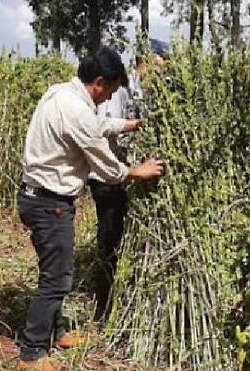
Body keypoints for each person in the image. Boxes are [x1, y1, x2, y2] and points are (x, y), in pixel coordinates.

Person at [17, 46, 165, 371]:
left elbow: (96, 125)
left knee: (53, 269)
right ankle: (31, 350)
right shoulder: (77, 111)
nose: (107, 97)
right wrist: (135, 171)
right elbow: (103, 159)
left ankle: (59, 333)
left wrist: (127, 125)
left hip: (36, 196)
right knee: (57, 278)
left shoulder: (61, 94)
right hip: (49, 202)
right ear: (99, 82)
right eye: (110, 91)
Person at [90, 39, 169, 325]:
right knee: (109, 241)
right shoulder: (119, 90)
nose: (161, 74)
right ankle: (104, 308)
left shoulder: (143, 92)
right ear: (144, 62)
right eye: (159, 68)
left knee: (121, 239)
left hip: (124, 174)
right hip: (107, 176)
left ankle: (118, 300)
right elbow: (104, 132)